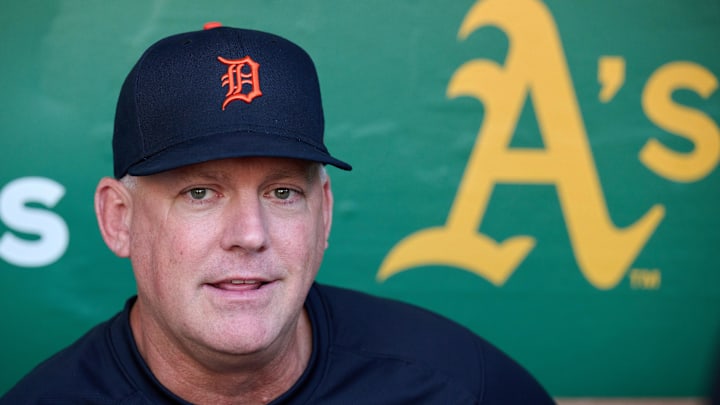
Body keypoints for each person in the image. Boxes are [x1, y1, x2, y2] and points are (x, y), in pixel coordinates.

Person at [0, 24, 554, 404]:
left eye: (283, 193)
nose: (250, 235)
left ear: (325, 213)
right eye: (200, 193)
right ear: (118, 219)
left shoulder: (456, 385)